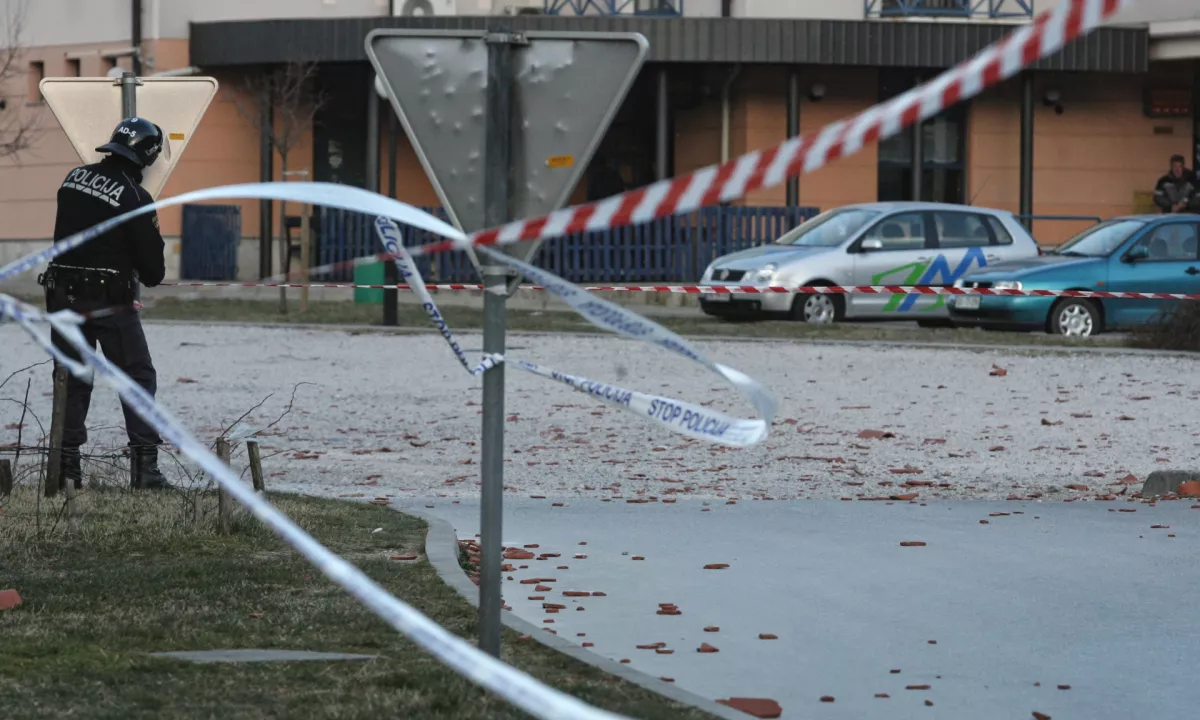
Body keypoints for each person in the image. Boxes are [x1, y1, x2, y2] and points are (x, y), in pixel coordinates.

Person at [37, 117, 174, 490]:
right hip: (108, 300)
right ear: (146, 155)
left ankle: (66, 470)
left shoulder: (73, 179)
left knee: (71, 378)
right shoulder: (134, 197)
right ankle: (145, 471)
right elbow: (153, 271)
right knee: (137, 377)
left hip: (62, 295)